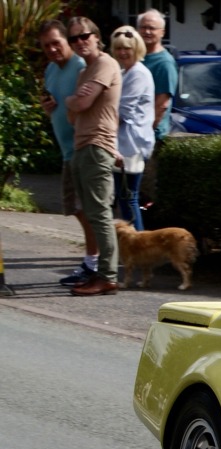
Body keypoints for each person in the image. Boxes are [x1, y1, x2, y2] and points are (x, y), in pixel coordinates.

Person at [36, 20, 99, 286]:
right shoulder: (51, 69)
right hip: (66, 150)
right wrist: (48, 108)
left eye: (56, 43)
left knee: (87, 209)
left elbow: (90, 104)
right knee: (76, 209)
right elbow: (56, 105)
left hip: (83, 148)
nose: (52, 49)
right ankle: (92, 261)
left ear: (67, 41)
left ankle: (94, 263)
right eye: (46, 45)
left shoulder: (81, 68)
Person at [64, 16, 122, 297]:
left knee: (99, 214)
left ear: (97, 36)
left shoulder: (105, 64)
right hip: (82, 145)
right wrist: (72, 101)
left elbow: (82, 103)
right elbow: (73, 116)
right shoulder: (84, 72)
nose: (79, 43)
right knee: (90, 212)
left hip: (97, 146)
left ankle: (108, 276)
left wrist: (71, 99)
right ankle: (100, 273)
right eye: (73, 39)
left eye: (83, 36)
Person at [109, 26, 155, 230]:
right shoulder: (124, 72)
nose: (122, 52)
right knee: (123, 197)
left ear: (136, 49)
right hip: (122, 144)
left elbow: (122, 110)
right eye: (118, 48)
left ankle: (138, 246)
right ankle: (132, 248)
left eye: (127, 48)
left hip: (133, 145)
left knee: (130, 198)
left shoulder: (138, 73)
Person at [137, 9, 176, 204]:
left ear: (162, 32)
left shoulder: (164, 63)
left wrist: (142, 134)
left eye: (152, 28)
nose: (147, 32)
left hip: (149, 138)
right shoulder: (136, 57)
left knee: (145, 194)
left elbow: (161, 105)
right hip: (132, 135)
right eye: (143, 27)